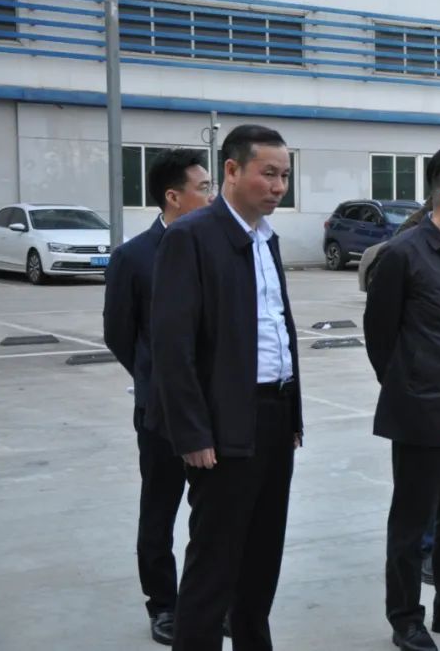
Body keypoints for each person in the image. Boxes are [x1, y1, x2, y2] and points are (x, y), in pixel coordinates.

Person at [150, 124, 303, 651]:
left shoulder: (265, 238)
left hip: (274, 418)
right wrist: (192, 433)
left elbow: (277, 331)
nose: (279, 186)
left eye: (285, 175)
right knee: (215, 563)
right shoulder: (191, 238)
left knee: (262, 558)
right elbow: (172, 348)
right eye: (269, 173)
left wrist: (292, 416)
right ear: (232, 170)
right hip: (223, 424)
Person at [364, 151, 440, 651]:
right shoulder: (403, 254)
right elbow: (380, 336)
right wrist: (410, 386)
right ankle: (405, 618)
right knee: (412, 523)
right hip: (420, 413)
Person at [103, 148, 213, 645]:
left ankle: (206, 601)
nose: (212, 196)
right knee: (160, 508)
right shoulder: (134, 256)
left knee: (213, 512)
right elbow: (119, 333)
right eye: (203, 188)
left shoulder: (215, 246)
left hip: (215, 406)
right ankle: (164, 605)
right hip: (162, 411)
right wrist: (158, 379)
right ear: (173, 197)